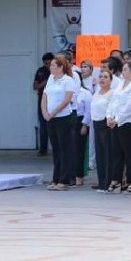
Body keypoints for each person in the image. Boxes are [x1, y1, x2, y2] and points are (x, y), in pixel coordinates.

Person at [41, 54, 78, 190]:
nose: (50, 68)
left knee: (65, 149)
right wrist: (45, 112)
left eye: (53, 66)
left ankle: (64, 180)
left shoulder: (68, 80)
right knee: (56, 149)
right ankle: (55, 178)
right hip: (51, 118)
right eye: (50, 65)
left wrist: (54, 112)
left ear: (61, 67)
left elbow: (67, 99)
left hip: (63, 117)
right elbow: (45, 96)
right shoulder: (51, 79)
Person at [107, 59, 131, 193]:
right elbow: (113, 101)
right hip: (116, 122)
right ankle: (116, 180)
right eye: (123, 70)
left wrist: (117, 119)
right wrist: (109, 116)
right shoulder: (120, 85)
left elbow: (130, 106)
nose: (123, 72)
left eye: (126, 69)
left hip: (128, 123)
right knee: (116, 153)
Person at [89, 67, 115, 191]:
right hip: (96, 123)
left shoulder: (112, 93)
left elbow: (111, 108)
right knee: (99, 154)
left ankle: (108, 182)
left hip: (106, 124)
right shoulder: (97, 92)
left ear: (111, 80)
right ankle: (101, 180)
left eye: (105, 77)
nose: (102, 79)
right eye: (101, 77)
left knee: (107, 154)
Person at [33, 52, 53, 156]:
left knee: (55, 125)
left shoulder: (57, 71)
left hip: (54, 100)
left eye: (49, 63)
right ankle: (43, 149)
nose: (48, 66)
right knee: (43, 125)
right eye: (46, 63)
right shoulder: (41, 71)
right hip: (43, 99)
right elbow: (35, 86)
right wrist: (44, 82)